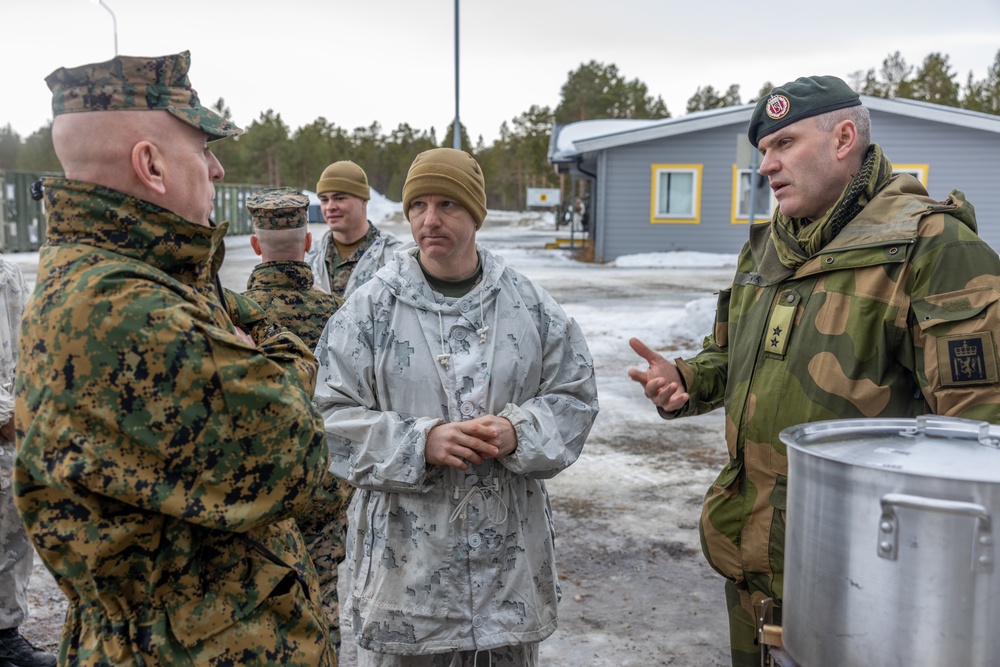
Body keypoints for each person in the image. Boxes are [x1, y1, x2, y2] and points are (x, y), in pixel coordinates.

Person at [628, 75, 1000, 667]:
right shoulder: (766, 252)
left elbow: (979, 444)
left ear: (844, 137)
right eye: (762, 153)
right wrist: (685, 379)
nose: (766, 166)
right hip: (753, 566)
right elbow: (729, 354)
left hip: (865, 581)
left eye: (784, 145)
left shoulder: (931, 250)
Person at [14, 52, 334, 666]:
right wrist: (282, 361)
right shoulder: (124, 308)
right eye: (201, 149)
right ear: (151, 165)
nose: (216, 166)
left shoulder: (140, 278)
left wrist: (251, 358)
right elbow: (296, 454)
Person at [314, 147, 600, 666]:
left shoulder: (529, 306)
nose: (430, 220)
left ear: (475, 214)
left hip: (506, 580)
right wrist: (418, 442)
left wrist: (519, 430)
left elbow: (576, 397)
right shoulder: (370, 308)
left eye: (448, 204)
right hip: (406, 582)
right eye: (418, 205)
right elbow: (327, 417)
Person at [243, 187, 352, 653]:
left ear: (254, 246)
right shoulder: (339, 314)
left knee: (255, 612)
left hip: (257, 494)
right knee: (323, 603)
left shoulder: (231, 315)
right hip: (324, 486)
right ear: (308, 243)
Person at [0, 257, 56, 667]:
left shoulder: (7, 271)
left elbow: (26, 348)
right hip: (5, 419)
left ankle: (4, 636)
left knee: (11, 531)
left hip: (11, 429)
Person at [305, 160, 403, 299]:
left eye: (339, 198)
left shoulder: (392, 257)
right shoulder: (310, 256)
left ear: (364, 200)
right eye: (324, 200)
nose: (330, 207)